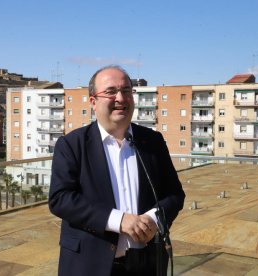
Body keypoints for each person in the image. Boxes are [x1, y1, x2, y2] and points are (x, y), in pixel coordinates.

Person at [49, 65, 185, 276]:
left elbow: (174, 194)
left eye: (127, 91)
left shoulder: (153, 141)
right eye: (111, 91)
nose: (121, 98)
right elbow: (61, 199)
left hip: (147, 264)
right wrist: (119, 220)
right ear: (93, 101)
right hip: (89, 264)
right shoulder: (71, 145)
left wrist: (153, 219)